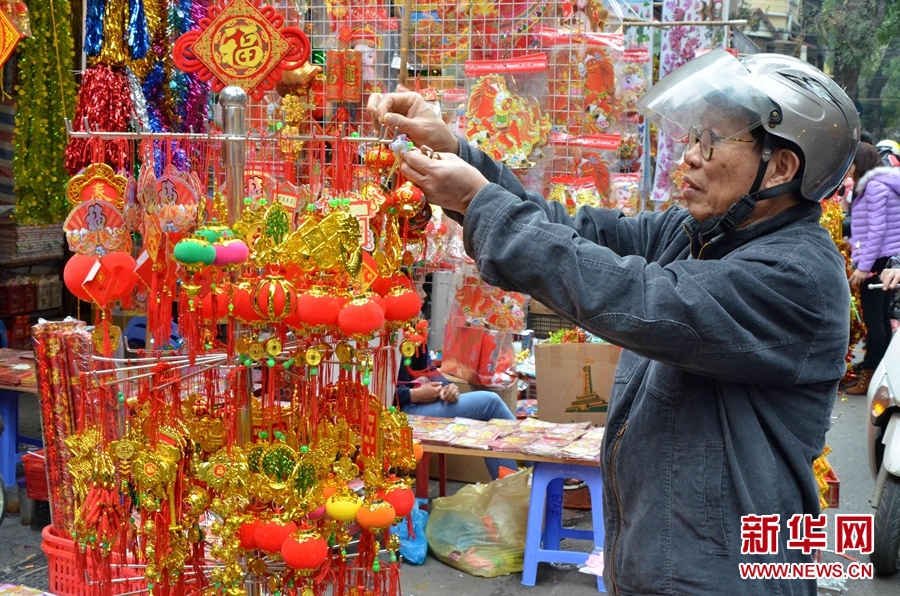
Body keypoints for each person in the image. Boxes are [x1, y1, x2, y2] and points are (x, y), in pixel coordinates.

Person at [370, 49, 859, 596]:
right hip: (660, 560)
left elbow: (630, 294)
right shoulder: (700, 234)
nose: (689, 158)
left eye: (712, 142)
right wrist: (459, 153)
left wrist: (478, 202)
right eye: (695, 138)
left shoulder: (794, 277)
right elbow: (572, 232)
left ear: (783, 168)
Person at [395, 344, 520, 480]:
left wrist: (447, 386)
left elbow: (427, 367)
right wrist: (412, 395)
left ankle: (514, 486)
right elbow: (373, 392)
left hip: (413, 402)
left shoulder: (410, 330)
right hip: (394, 412)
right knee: (490, 403)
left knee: (493, 415)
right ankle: (530, 472)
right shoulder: (378, 334)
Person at [846, 143, 900, 394]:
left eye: (850, 163)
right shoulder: (876, 185)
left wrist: (862, 267)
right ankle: (878, 370)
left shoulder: (875, 188)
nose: (847, 169)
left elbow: (877, 231)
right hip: (883, 259)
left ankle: (870, 374)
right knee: (881, 317)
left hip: (878, 262)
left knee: (874, 318)